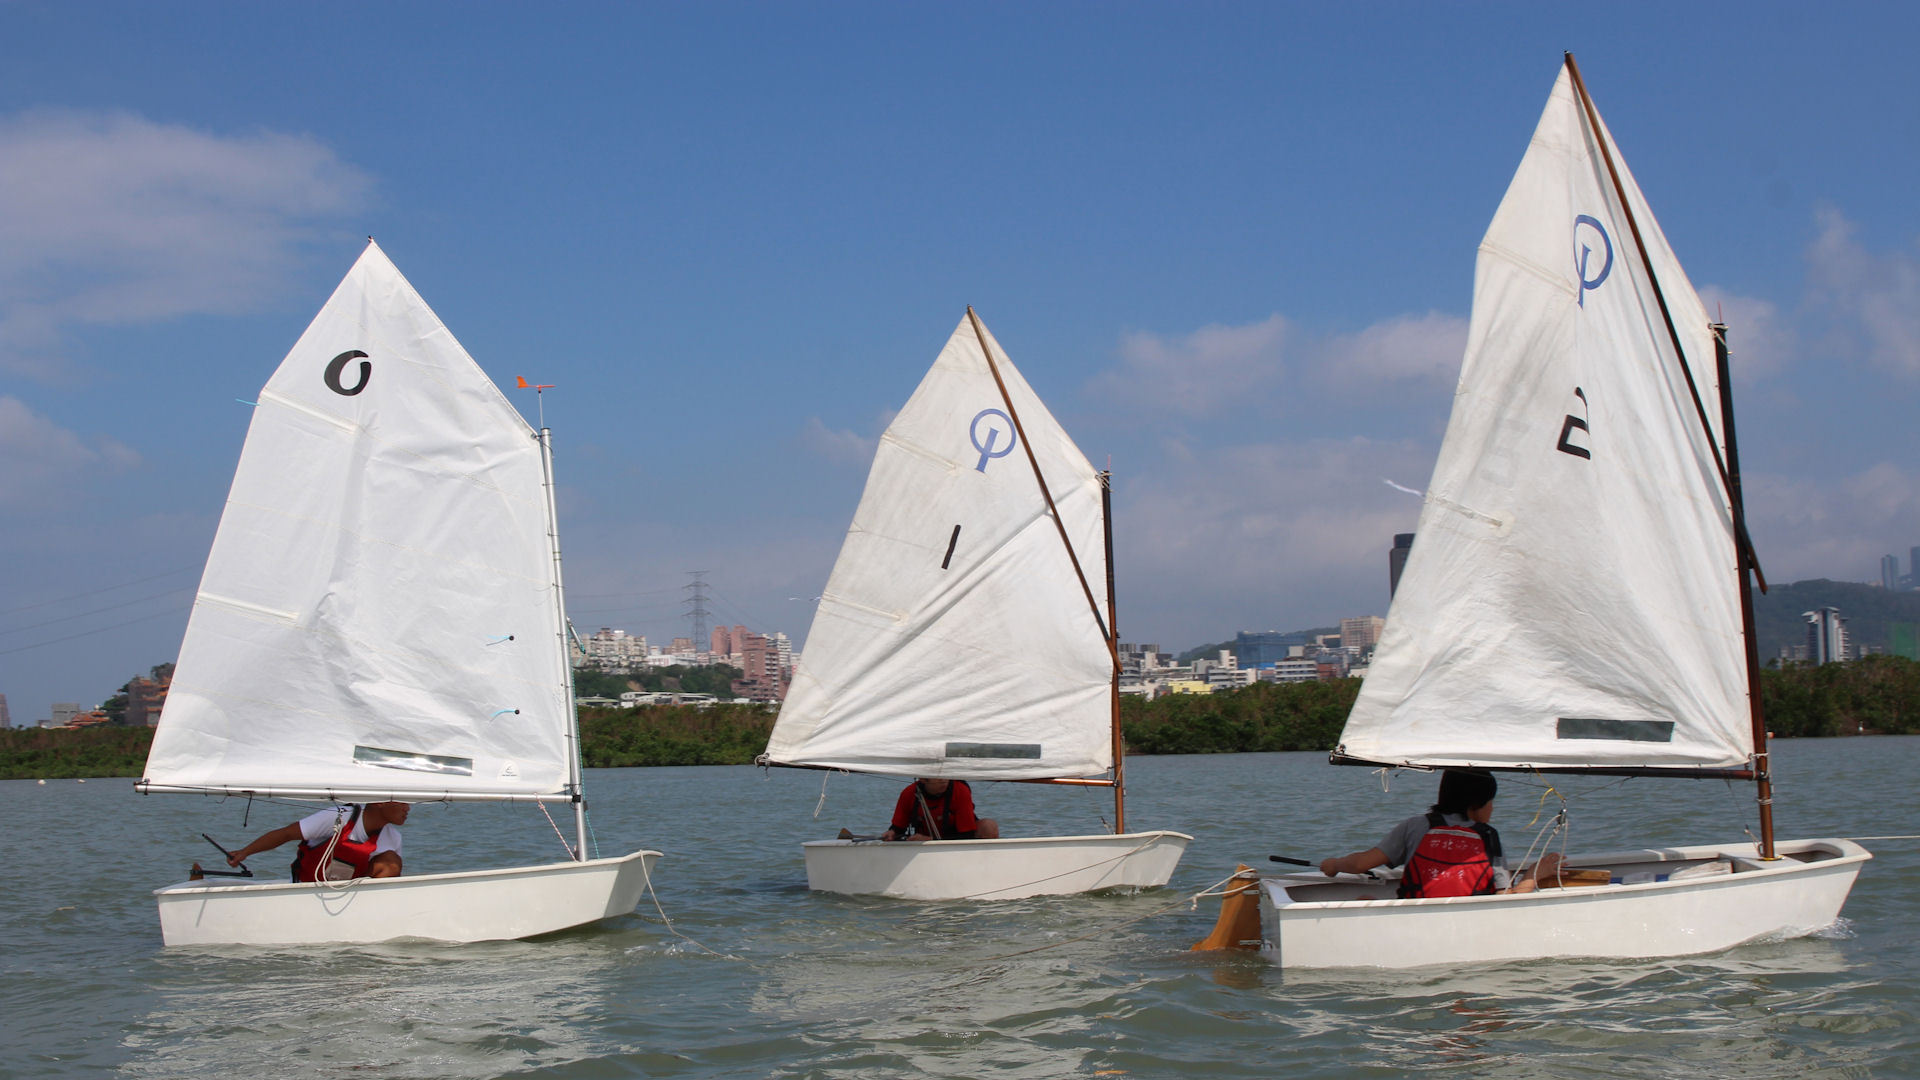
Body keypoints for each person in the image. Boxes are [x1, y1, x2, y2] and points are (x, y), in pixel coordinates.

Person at [1318, 770, 1562, 897]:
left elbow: (1361, 863)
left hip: (1416, 918)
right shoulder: (1488, 836)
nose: (1493, 808)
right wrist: (1533, 875)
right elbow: (1506, 897)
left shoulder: (1415, 826)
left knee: (1364, 902)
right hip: (1470, 923)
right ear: (1475, 806)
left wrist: (1333, 864)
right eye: (1491, 802)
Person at [221, 800, 411, 882]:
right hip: (309, 886)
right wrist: (244, 852)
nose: (408, 808)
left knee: (391, 863)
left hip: (349, 893)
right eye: (403, 802)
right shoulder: (338, 817)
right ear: (380, 803)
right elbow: (286, 834)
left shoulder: (393, 838)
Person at [880, 777, 1000, 841]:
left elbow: (966, 835)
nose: (943, 780)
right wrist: (892, 833)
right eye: (938, 776)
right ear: (923, 779)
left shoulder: (960, 790)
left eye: (946, 775)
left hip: (955, 838)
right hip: (921, 840)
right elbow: (898, 828)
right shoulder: (909, 793)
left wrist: (932, 840)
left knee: (988, 826)